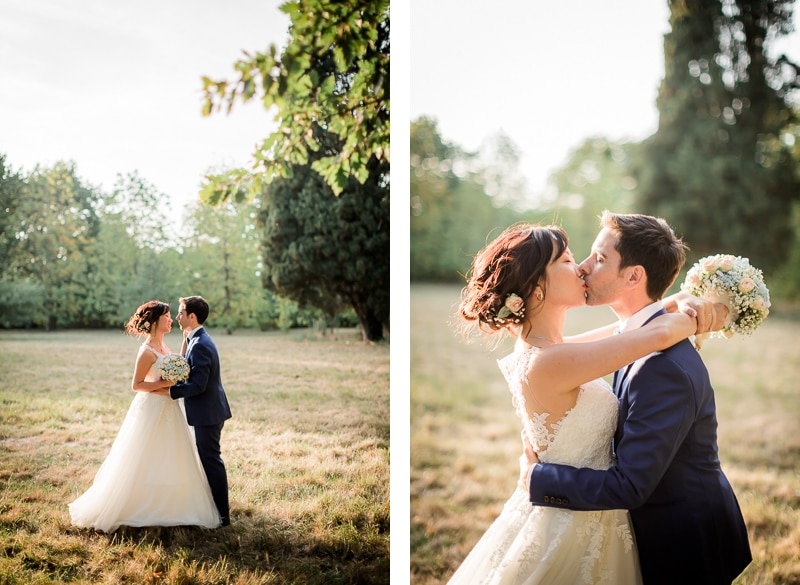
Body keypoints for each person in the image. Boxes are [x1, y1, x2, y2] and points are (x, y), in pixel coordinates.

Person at [448, 221, 725, 584]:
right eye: (566, 261)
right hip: (573, 519)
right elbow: (655, 333)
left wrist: (678, 300)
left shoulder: (554, 349)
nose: (579, 267)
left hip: (590, 511)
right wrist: (702, 315)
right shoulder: (551, 361)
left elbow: (622, 332)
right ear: (536, 287)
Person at [522, 211, 752, 584]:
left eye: (599, 259)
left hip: (683, 542)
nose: (583, 267)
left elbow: (630, 485)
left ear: (633, 276)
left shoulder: (663, 367)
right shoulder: (637, 337)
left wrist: (537, 478)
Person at [69, 300, 221, 532]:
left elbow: (180, 365)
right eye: (167, 316)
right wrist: (166, 384)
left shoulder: (165, 346)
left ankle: (173, 504)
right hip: (152, 408)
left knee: (171, 456)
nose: (171, 319)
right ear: (155, 321)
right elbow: (136, 385)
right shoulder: (147, 350)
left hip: (170, 408)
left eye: (174, 315)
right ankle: (139, 503)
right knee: (144, 455)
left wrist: (176, 378)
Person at [153, 296, 232, 527]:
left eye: (180, 312)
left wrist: (169, 392)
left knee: (211, 461)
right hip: (208, 411)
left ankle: (223, 516)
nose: (177, 317)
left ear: (192, 316)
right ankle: (216, 509)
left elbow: (198, 386)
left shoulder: (201, 345)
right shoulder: (194, 338)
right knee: (209, 459)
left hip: (208, 414)